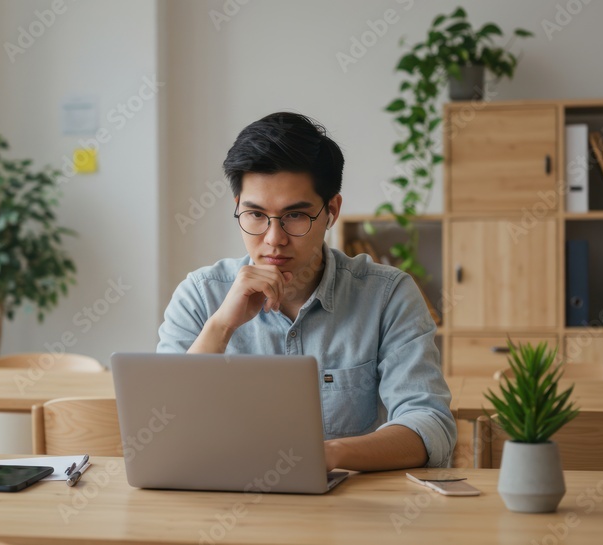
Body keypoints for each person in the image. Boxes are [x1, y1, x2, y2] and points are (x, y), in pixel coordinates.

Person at [157, 112, 456, 470]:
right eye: (255, 215)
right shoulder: (199, 296)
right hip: (225, 508)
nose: (273, 239)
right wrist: (221, 326)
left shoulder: (387, 296)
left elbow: (429, 424)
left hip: (347, 511)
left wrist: (327, 456)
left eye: (295, 216)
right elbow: (164, 429)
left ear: (331, 211)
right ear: (237, 208)